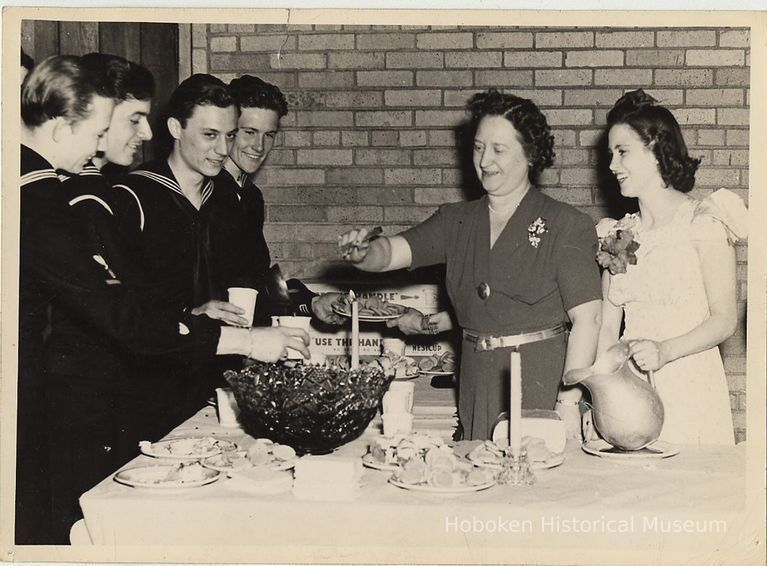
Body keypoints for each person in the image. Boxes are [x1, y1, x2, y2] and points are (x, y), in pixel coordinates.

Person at [20, 57, 308, 544]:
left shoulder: (57, 188)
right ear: (64, 124)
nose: (135, 135)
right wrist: (248, 341)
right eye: (108, 127)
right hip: (78, 399)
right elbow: (123, 316)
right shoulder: (64, 197)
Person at [339, 89, 602, 441]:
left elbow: (589, 319)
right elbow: (396, 250)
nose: (484, 161)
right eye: (478, 147)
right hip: (476, 382)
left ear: (530, 154)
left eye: (498, 149)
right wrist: (363, 253)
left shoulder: (566, 223)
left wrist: (568, 404)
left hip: (541, 385)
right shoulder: (456, 220)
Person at [111, 74, 264, 427]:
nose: (224, 151)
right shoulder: (131, 196)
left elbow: (247, 279)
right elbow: (121, 309)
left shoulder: (228, 201)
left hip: (212, 385)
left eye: (229, 136)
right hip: (146, 391)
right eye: (209, 135)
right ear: (175, 128)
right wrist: (189, 312)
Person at [596, 89, 747, 446]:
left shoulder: (704, 222)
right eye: (610, 154)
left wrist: (665, 351)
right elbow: (606, 328)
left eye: (623, 152)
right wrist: (600, 395)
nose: (612, 165)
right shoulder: (617, 233)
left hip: (690, 383)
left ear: (656, 151)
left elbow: (724, 320)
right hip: (630, 393)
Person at [220, 74, 343, 324]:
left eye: (269, 135)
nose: (259, 146)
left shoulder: (251, 197)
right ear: (228, 130)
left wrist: (310, 301)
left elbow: (256, 281)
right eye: (250, 132)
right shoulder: (202, 191)